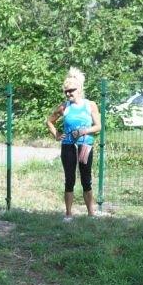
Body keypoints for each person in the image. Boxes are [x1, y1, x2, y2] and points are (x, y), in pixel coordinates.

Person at [46, 68, 101, 220]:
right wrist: (56, 134)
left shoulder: (90, 105)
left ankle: (91, 214)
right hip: (68, 146)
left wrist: (84, 131)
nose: (69, 93)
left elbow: (98, 126)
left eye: (72, 90)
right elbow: (49, 121)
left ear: (79, 90)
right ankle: (68, 214)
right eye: (66, 91)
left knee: (86, 179)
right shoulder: (64, 107)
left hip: (85, 146)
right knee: (69, 179)